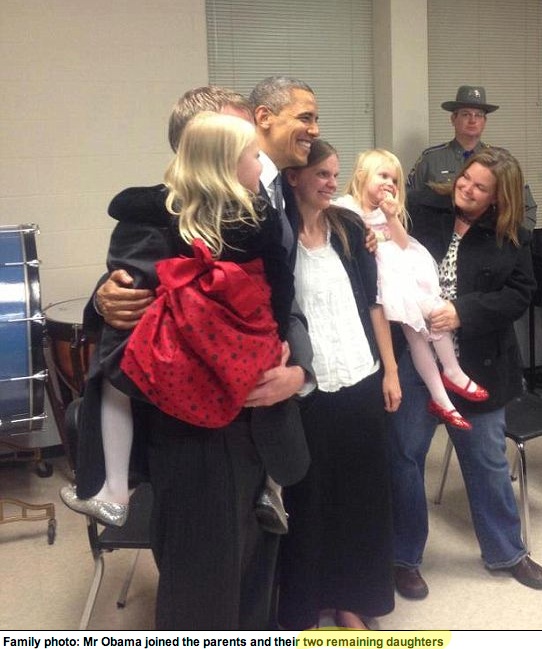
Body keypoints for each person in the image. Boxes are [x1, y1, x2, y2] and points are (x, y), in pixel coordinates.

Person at [70, 86, 312, 630]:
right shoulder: (153, 213)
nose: (253, 150)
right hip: (195, 443)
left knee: (256, 588)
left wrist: (301, 370)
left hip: (269, 424)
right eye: (237, 138)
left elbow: (289, 302)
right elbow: (130, 298)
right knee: (201, 597)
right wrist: (101, 299)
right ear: (196, 147)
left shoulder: (266, 205)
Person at [60, 112, 291, 534]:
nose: (262, 164)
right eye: (255, 155)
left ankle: (114, 488)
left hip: (197, 338)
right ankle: (270, 488)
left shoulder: (173, 208)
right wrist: (278, 334)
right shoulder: (261, 212)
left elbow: (125, 206)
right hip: (250, 338)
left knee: (116, 370)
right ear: (225, 163)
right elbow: (282, 281)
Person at [390, 147, 542, 602]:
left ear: (499, 198)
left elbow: (521, 294)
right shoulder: (424, 208)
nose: (467, 189)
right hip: (418, 364)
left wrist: (463, 312)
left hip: (480, 365)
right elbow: (386, 225)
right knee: (403, 458)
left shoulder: (513, 236)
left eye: (481, 187)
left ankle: (506, 552)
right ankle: (403, 558)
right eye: (466, 179)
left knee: (487, 463)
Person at [277, 140, 399, 630]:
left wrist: (390, 370)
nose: (331, 183)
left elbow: (374, 303)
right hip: (309, 389)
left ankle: (353, 598)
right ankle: (310, 602)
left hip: (360, 377)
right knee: (310, 500)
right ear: (294, 178)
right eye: (321, 174)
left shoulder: (349, 228)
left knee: (362, 496)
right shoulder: (277, 235)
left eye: (334, 174)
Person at [335, 149, 488, 430]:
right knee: (417, 334)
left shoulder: (388, 212)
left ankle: (450, 376)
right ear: (360, 177)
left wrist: (392, 217)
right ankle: (442, 394)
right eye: (382, 175)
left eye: (394, 180)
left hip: (407, 276)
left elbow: (404, 244)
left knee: (436, 313)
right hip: (385, 286)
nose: (389, 183)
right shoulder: (346, 209)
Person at [406, 85, 537, 232]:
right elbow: (408, 202)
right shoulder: (431, 159)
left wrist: (513, 241)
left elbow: (527, 206)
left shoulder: (500, 162)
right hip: (442, 244)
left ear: (484, 122)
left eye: (479, 115)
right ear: (453, 119)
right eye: (466, 114)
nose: (472, 120)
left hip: (487, 245)